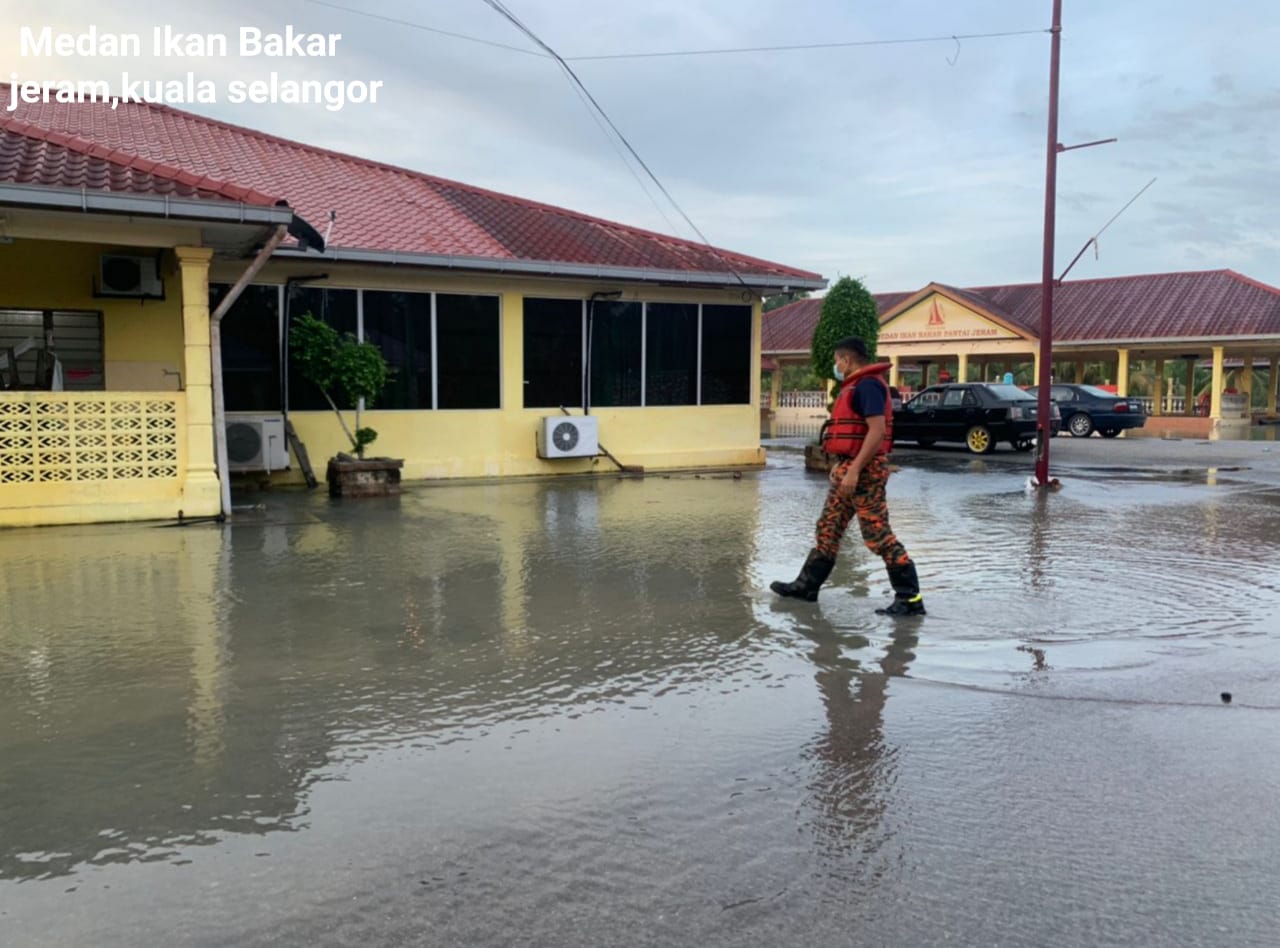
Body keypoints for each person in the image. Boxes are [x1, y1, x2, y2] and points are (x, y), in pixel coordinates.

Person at [771, 336, 925, 616]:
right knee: (827, 528)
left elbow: (876, 432)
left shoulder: (867, 386)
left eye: (837, 361)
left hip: (864, 473)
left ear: (847, 360)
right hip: (849, 468)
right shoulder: (856, 386)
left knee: (877, 535)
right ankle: (807, 587)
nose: (836, 366)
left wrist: (854, 469)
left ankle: (910, 599)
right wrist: (841, 464)